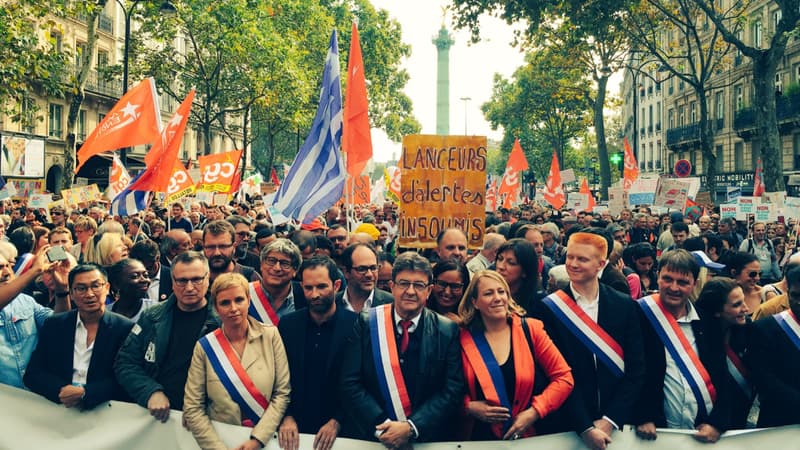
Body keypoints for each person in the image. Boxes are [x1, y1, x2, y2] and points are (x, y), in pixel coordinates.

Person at [529, 232, 645, 450]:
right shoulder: (547, 308)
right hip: (567, 427)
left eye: (582, 259)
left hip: (617, 426)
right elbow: (548, 373)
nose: (572, 264)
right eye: (570, 257)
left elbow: (636, 369)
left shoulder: (624, 305)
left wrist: (610, 420)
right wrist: (584, 426)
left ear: (601, 264)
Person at [339, 251, 464, 444]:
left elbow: (452, 390)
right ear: (392, 287)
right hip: (375, 438)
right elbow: (351, 382)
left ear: (429, 291)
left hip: (424, 439)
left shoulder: (447, 330)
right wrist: (383, 427)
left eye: (419, 285)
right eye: (404, 283)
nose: (411, 291)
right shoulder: (367, 322)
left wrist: (412, 427)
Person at [458, 270, 573, 440]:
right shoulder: (460, 338)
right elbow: (445, 389)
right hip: (478, 438)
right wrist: (468, 407)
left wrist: (535, 411)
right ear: (475, 302)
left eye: (501, 291)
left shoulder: (531, 330)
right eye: (488, 293)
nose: (497, 298)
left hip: (530, 435)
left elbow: (564, 378)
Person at [183, 273, 290, 450]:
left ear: (248, 300)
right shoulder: (205, 347)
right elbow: (193, 407)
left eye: (239, 300)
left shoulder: (270, 336)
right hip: (221, 439)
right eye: (225, 303)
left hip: (265, 440)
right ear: (216, 308)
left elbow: (282, 393)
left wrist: (258, 440)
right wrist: (217, 448)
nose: (233, 308)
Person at [635, 250, 729, 443]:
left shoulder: (708, 322)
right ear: (657, 276)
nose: (674, 288)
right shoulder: (638, 315)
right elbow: (630, 373)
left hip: (700, 433)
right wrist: (643, 415)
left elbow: (721, 376)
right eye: (667, 279)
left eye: (683, 282)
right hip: (654, 432)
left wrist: (718, 423)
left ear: (694, 283)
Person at [115, 252, 221, 422]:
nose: (189, 287)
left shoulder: (222, 321)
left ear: (208, 278)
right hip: (158, 417)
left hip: (207, 418)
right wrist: (150, 391)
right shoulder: (152, 317)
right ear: (172, 281)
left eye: (196, 279)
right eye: (182, 281)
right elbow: (125, 363)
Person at [23, 264, 134, 409]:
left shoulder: (124, 328)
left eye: (96, 286)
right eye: (81, 288)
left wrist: (86, 393)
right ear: (72, 293)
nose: (89, 294)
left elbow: (127, 379)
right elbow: (33, 374)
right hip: (59, 409)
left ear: (107, 288)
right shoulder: (55, 325)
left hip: (103, 410)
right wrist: (61, 390)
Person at [277, 256, 358, 450]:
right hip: (294, 430)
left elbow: (360, 381)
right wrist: (286, 416)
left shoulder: (356, 324)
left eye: (322, 287)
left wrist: (338, 421)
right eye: (308, 288)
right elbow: (278, 377)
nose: (314, 294)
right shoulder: (288, 325)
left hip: (341, 433)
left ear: (337, 285)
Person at [0, 247, 72, 388]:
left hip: (36, 396)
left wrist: (62, 290)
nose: (7, 272)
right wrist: (35, 270)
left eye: (8, 266)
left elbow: (59, 324)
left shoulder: (26, 301)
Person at [694, 277, 754, 429]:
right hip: (709, 422)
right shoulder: (698, 338)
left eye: (744, 301)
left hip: (742, 418)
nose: (746, 309)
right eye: (737, 305)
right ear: (717, 311)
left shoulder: (749, 330)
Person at [746, 264, 800, 427]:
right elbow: (764, 379)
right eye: (795, 295)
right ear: (787, 291)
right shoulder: (766, 328)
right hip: (780, 422)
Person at [249, 238, 307, 324]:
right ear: (261, 264)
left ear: (295, 270)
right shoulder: (245, 292)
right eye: (271, 261)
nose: (277, 268)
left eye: (285, 263)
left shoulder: (305, 295)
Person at [336, 243, 393, 313]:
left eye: (373, 268)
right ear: (346, 272)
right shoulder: (333, 303)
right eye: (362, 269)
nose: (369, 274)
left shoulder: (392, 303)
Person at [202, 220, 262, 285]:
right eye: (211, 247)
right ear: (204, 247)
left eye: (223, 246)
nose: (217, 253)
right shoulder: (195, 278)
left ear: (234, 247)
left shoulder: (251, 278)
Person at [495, 238, 540, 311]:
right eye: (500, 259)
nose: (501, 266)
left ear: (525, 271)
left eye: (511, 263)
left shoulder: (538, 303)